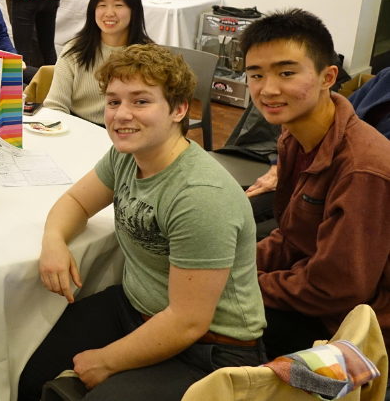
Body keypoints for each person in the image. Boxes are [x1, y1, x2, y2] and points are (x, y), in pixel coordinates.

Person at [18, 44, 266, 401]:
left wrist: (106, 360)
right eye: (114, 101)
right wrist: (54, 238)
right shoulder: (129, 155)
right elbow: (75, 201)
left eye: (140, 101)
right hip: (137, 308)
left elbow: (188, 321)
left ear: (179, 109)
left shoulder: (200, 195)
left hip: (210, 349)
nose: (121, 115)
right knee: (31, 377)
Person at [240, 9, 390, 358]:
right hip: (317, 288)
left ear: (328, 77)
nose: (268, 89)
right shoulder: (295, 137)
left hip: (353, 326)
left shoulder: (361, 168)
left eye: (287, 72)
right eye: (256, 75)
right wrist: (237, 263)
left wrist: (242, 282)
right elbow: (295, 235)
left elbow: (337, 289)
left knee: (209, 318)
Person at [44, 0, 153, 126]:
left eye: (118, 5)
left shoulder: (148, 57)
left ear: (134, 10)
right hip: (75, 128)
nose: (109, 13)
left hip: (128, 132)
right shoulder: (75, 51)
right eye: (102, 5)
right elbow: (55, 106)